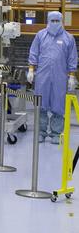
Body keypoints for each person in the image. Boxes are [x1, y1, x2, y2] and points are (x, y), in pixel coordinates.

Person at [27, 11, 78, 142]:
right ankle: (41, 132)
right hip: (42, 76)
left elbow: (72, 58)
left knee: (58, 104)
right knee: (41, 103)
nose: (55, 23)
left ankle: (56, 133)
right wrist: (31, 70)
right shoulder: (40, 35)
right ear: (48, 21)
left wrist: (72, 76)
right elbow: (34, 52)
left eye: (57, 21)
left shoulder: (68, 38)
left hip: (60, 77)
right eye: (52, 21)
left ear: (61, 22)